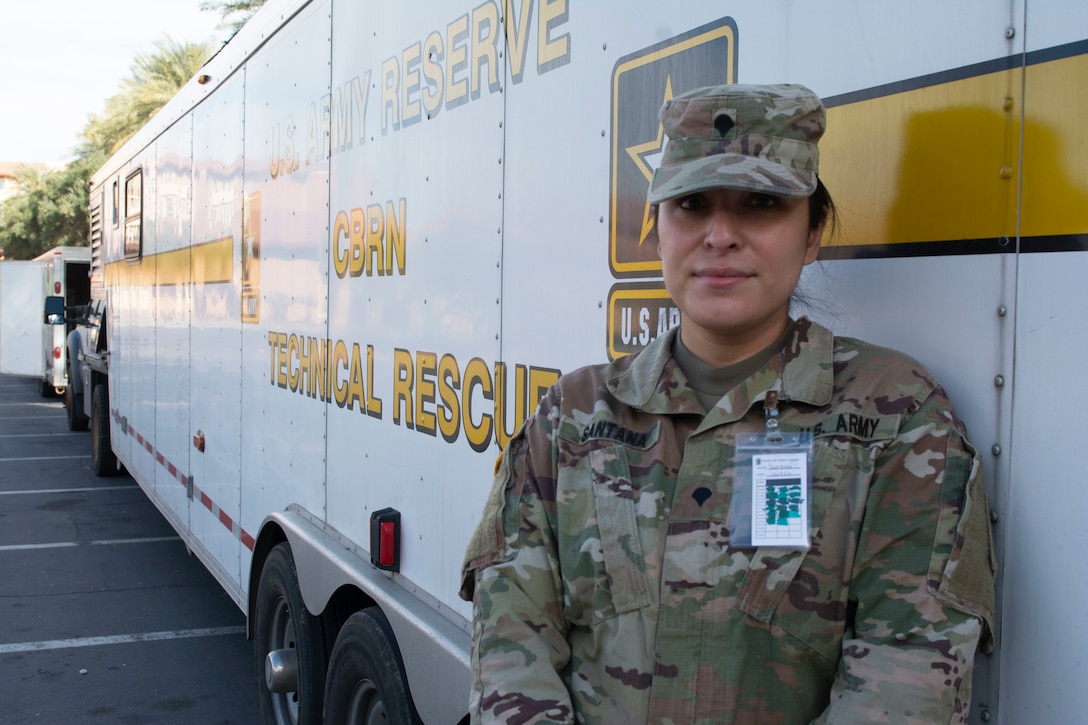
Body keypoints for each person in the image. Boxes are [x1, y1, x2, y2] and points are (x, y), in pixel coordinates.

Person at [459, 83, 996, 724]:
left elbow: (908, 680)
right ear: (658, 230)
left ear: (813, 232)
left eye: (761, 204)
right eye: (691, 204)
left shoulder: (895, 419)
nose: (720, 236)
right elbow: (510, 638)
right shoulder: (573, 416)